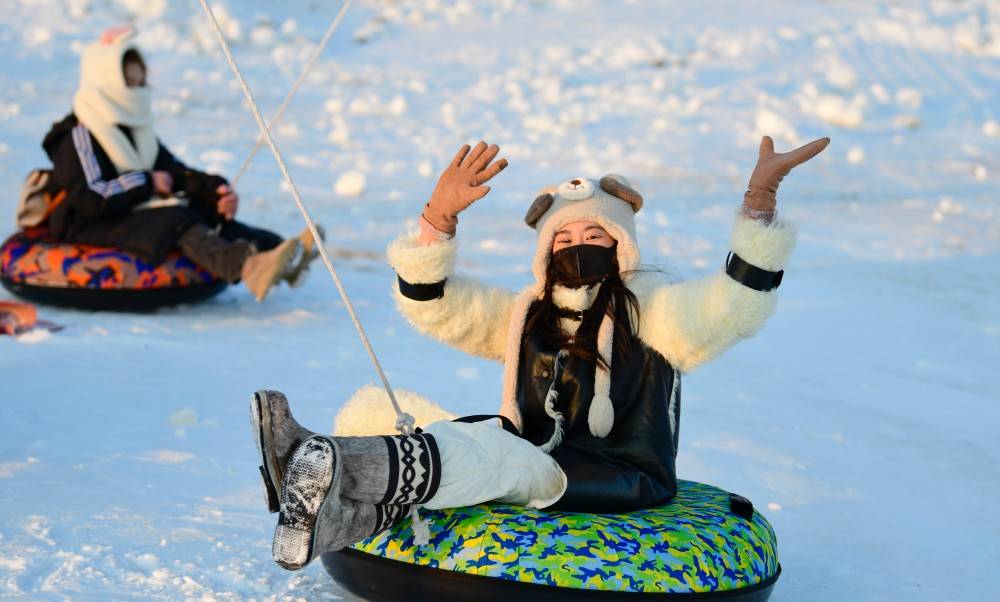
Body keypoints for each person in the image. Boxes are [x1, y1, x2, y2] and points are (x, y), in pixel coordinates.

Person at [251, 135, 829, 570]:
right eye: (565, 238)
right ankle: (317, 509)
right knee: (438, 428)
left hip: (621, 473)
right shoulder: (530, 314)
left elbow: (732, 306)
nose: (580, 247)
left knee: (493, 457)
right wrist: (437, 220)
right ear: (545, 250)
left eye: (595, 236)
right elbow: (435, 306)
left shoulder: (650, 310)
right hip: (531, 454)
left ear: (621, 244)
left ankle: (315, 461)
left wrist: (759, 204)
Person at [41, 27, 317, 302]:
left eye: (141, 83)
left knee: (201, 210)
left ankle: (281, 252)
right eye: (129, 84)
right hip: (87, 222)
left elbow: (174, 172)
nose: (137, 91)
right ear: (108, 84)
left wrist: (215, 191)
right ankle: (249, 267)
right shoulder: (80, 135)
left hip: (129, 211)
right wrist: (148, 182)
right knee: (174, 219)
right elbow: (91, 196)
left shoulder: (136, 130)